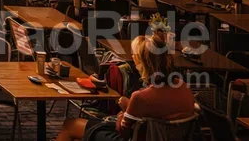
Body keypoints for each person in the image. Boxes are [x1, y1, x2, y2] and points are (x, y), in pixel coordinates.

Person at [55, 32, 196, 141]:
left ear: (142, 62)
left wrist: (124, 112)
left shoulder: (140, 97)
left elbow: (124, 131)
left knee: (70, 125)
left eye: (134, 56)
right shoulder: (183, 87)